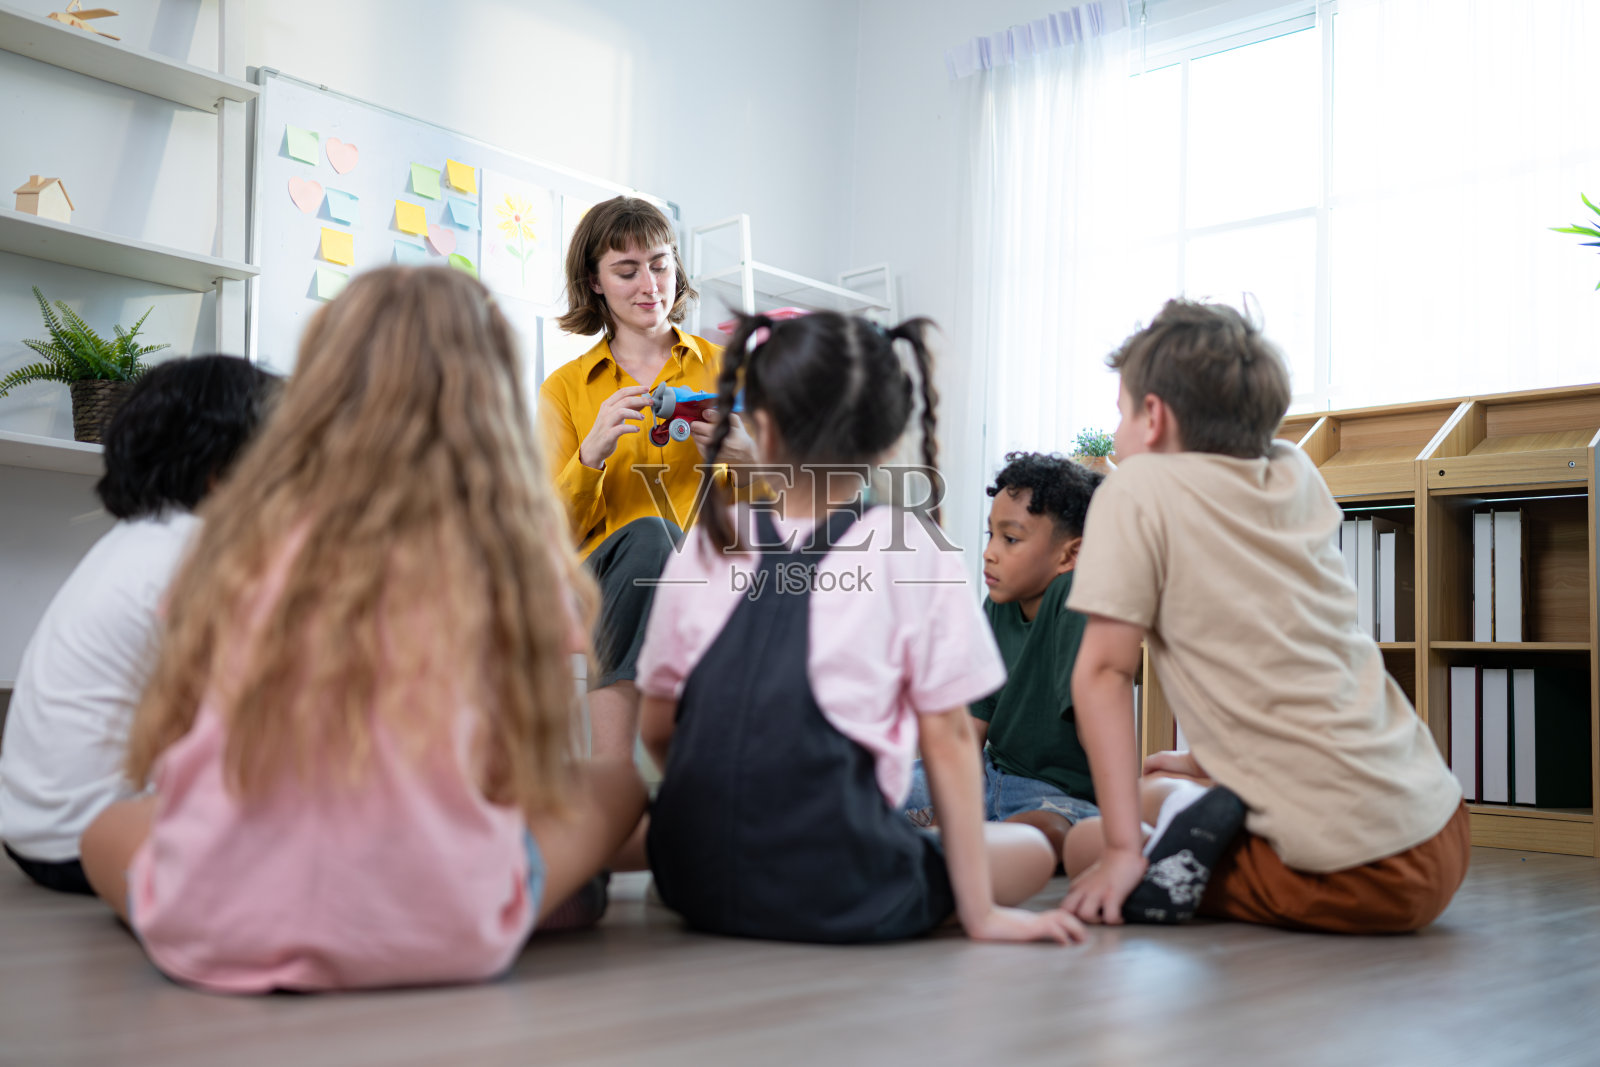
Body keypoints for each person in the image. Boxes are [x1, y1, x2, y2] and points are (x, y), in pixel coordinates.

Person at [78, 267, 647, 993]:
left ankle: (242, 894)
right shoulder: (512, 557)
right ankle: (535, 893)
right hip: (445, 927)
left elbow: (186, 733)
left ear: (318, 389)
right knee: (615, 782)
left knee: (106, 831)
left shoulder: (236, 540)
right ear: (493, 402)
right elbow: (510, 770)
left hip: (212, 923)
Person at [635, 310, 1084, 946]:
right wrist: (982, 915)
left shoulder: (710, 538)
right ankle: (920, 882)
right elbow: (950, 740)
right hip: (838, 885)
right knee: (1030, 853)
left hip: (692, 876)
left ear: (759, 426)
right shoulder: (910, 545)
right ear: (889, 439)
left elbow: (658, 726)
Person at [1059, 299, 1468, 932]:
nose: (1115, 438)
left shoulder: (1135, 489)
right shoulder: (1292, 470)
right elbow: (1282, 645)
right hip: (1438, 823)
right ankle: (1213, 796)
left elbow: (1103, 674)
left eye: (1120, 414)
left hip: (1361, 874)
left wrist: (1119, 851)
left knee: (1084, 841)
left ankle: (1176, 828)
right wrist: (1212, 758)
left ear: (1154, 416)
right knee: (1157, 787)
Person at [0, 355, 278, 894]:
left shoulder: (137, 542)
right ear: (221, 475)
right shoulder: (197, 555)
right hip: (86, 840)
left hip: (34, 830)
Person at [539, 196, 757, 762]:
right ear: (595, 282)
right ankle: (613, 765)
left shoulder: (726, 372)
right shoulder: (565, 389)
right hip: (595, 590)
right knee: (649, 538)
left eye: (660, 265)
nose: (649, 285)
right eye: (626, 270)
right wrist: (590, 455)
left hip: (697, 581)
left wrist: (748, 459)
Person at [903, 452, 1103, 859]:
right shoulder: (999, 601)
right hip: (989, 776)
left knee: (1050, 832)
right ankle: (955, 840)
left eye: (1010, 539)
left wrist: (1118, 820)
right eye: (990, 534)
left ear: (1069, 556)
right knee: (872, 785)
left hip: (1056, 797)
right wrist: (948, 803)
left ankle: (949, 849)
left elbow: (1095, 723)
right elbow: (973, 723)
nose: (989, 553)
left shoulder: (1074, 597)